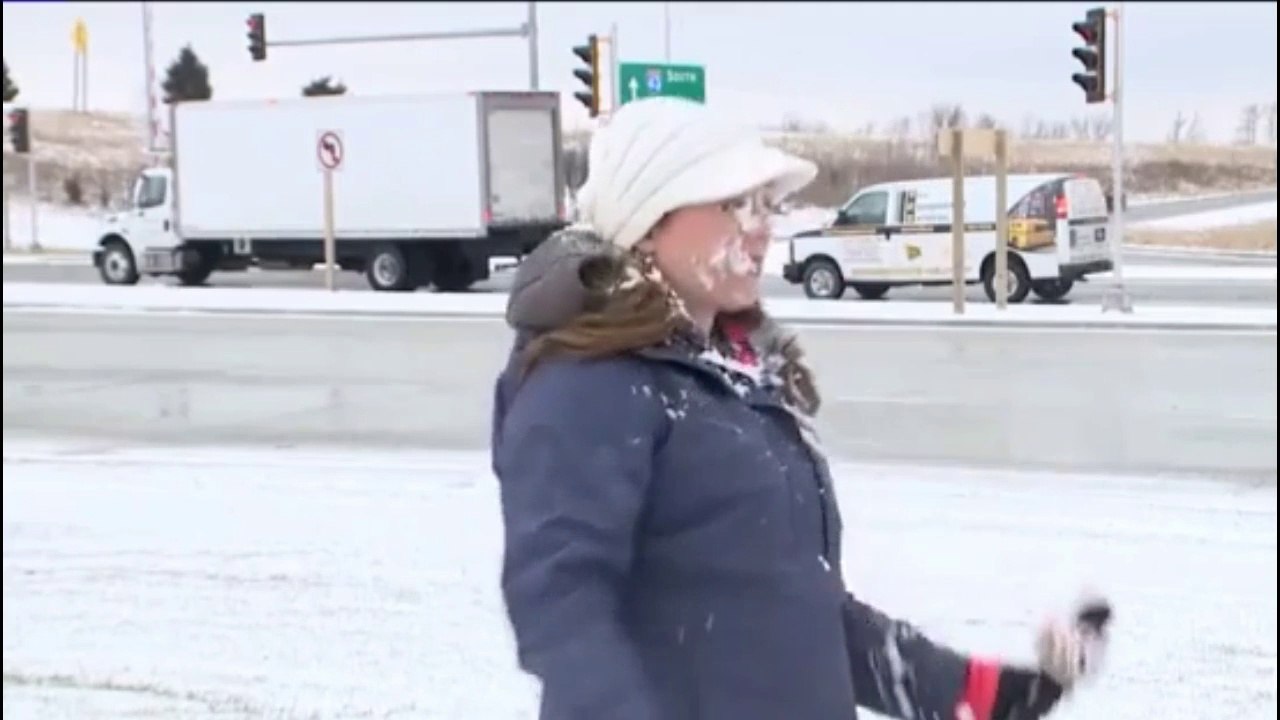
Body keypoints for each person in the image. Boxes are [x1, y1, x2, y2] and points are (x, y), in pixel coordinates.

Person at [490, 96, 1112, 720]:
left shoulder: (732, 382)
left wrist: (975, 693)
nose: (760, 226)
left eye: (765, 205)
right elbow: (560, 603)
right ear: (648, 222)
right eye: (732, 204)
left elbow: (793, 607)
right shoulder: (592, 380)